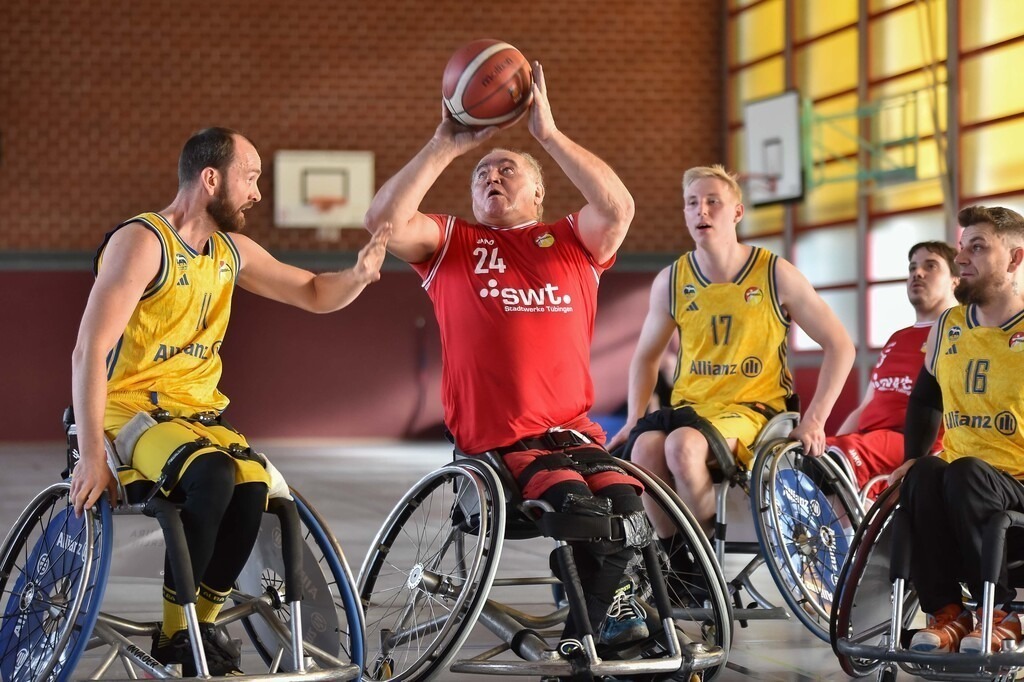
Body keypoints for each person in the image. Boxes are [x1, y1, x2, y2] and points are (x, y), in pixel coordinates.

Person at [69, 127, 389, 675]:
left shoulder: (230, 252)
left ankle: (201, 626)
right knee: (213, 475)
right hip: (130, 414)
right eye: (251, 176)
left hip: (198, 417)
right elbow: (88, 351)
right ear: (210, 178)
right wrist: (91, 452)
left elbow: (312, 291)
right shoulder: (143, 242)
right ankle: (176, 637)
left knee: (253, 485)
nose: (258, 193)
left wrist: (358, 275)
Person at [363, 63, 653, 656]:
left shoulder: (574, 241)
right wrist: (445, 144)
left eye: (507, 169)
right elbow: (383, 223)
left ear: (540, 192)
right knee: (578, 507)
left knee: (626, 504)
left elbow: (619, 207)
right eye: (482, 175)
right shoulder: (453, 244)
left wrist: (547, 134)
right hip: (498, 445)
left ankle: (598, 622)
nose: (492, 176)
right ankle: (594, 635)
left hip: (574, 433)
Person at [608, 164, 855, 549]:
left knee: (681, 446)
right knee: (643, 449)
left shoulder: (774, 274)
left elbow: (840, 344)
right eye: (692, 203)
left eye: (712, 202)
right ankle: (680, 566)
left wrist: (816, 420)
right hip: (692, 409)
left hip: (754, 410)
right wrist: (634, 416)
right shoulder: (673, 280)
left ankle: (702, 557)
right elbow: (645, 358)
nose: (701, 211)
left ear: (737, 212)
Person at [889, 206, 1024, 654]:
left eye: (979, 247)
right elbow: (926, 397)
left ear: (1015, 259)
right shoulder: (948, 326)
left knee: (965, 471)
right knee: (924, 473)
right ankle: (949, 612)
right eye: (964, 246)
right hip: (965, 479)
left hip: (1017, 481)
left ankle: (1003, 614)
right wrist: (912, 454)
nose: (963, 256)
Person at [825, 241, 959, 492]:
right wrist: (829, 443)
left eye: (931, 266)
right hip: (867, 441)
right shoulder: (897, 338)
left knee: (837, 461)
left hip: (912, 445)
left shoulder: (958, 333)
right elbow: (866, 405)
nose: (917, 273)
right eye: (912, 268)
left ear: (955, 281)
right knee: (817, 459)